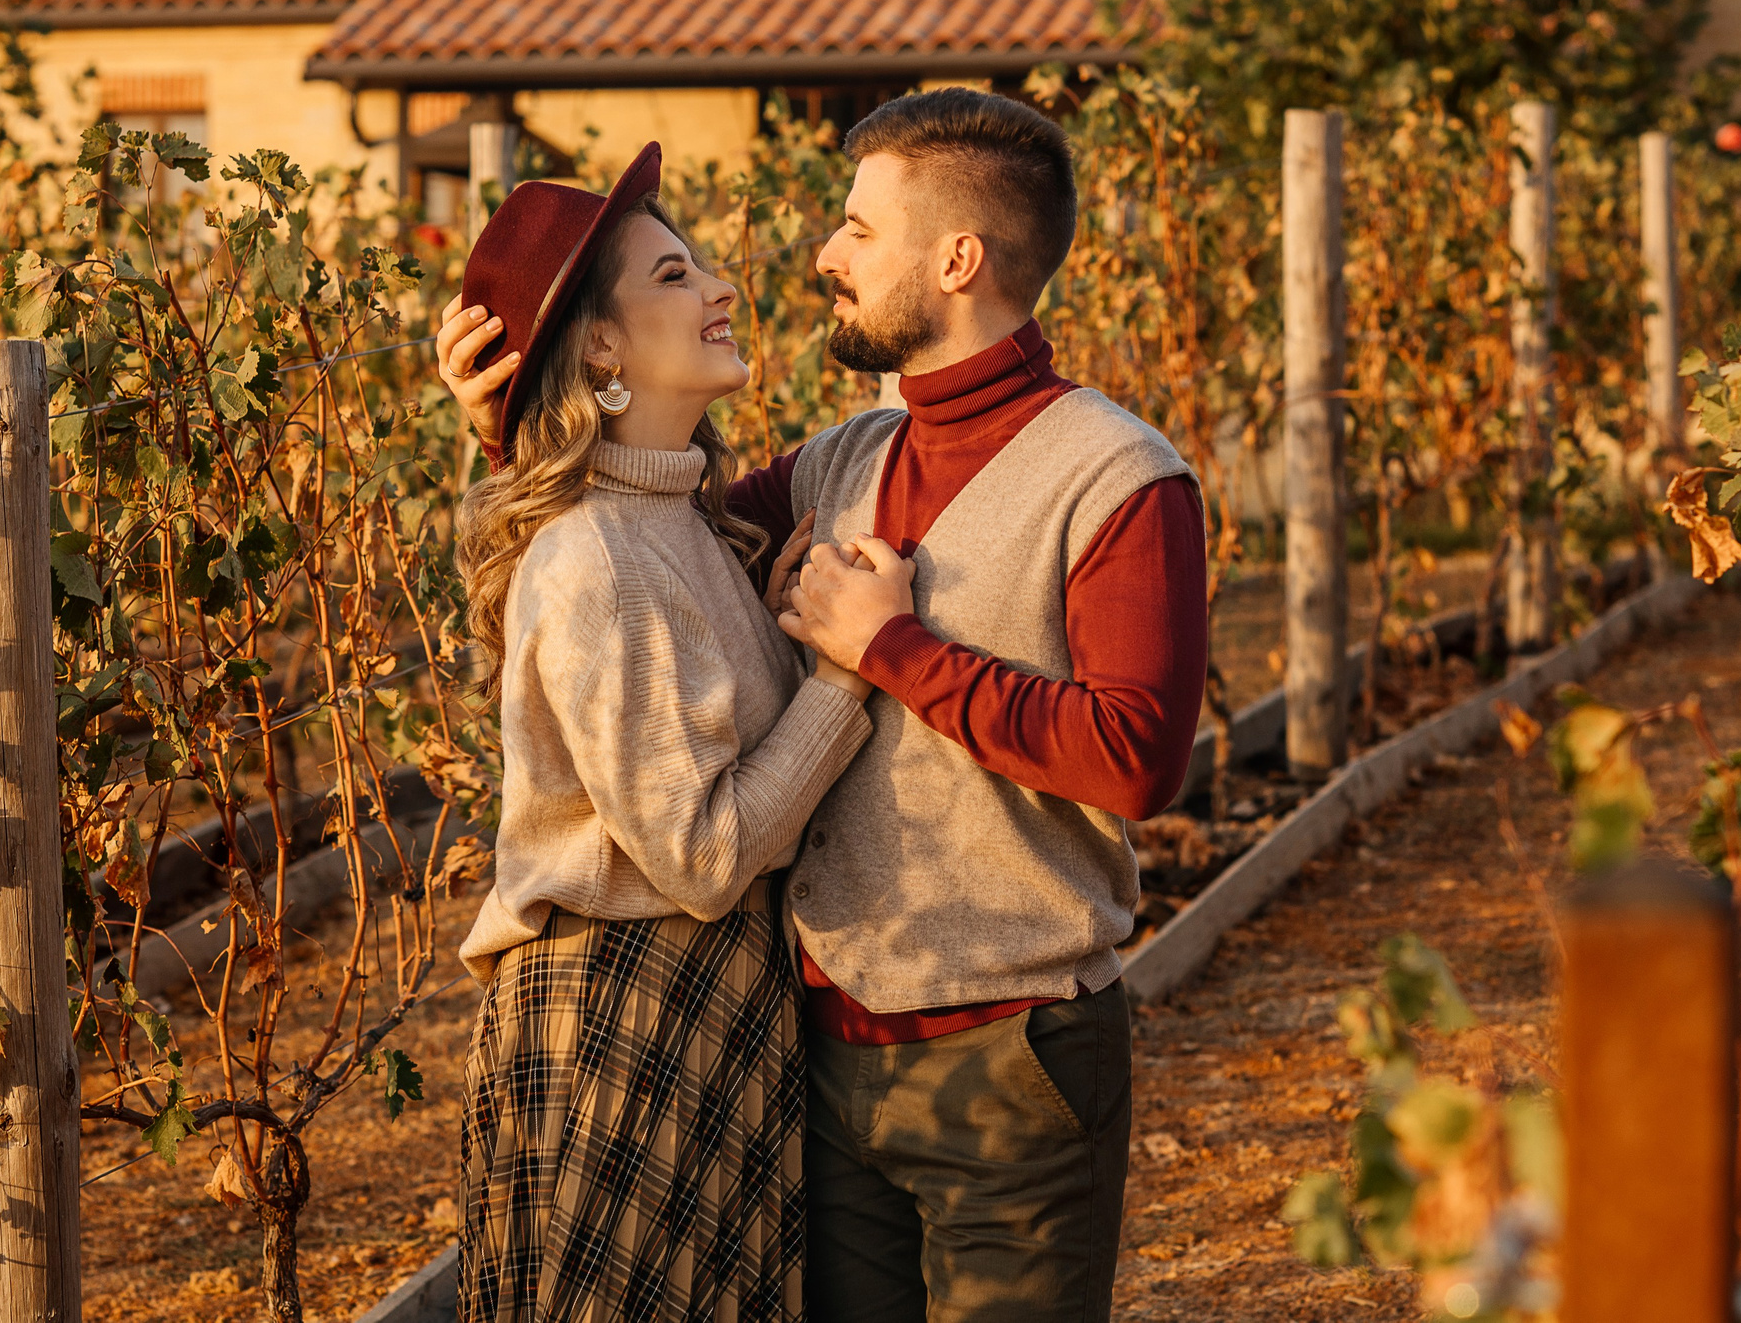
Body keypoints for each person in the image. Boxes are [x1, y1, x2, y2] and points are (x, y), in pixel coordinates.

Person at [439, 90, 1209, 1323]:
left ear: (955, 259)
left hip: (1005, 1047)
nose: (821, 255)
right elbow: (634, 557)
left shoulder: (1116, 479)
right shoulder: (841, 460)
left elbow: (1135, 760)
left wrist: (893, 647)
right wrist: (518, 419)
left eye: (856, 227)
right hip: (819, 1050)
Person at [448, 142, 912, 1323]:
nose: (718, 288)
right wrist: (848, 673)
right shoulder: (598, 554)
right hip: (621, 1015)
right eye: (671, 274)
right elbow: (700, 857)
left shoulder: (683, 522)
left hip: (700, 1008)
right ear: (599, 346)